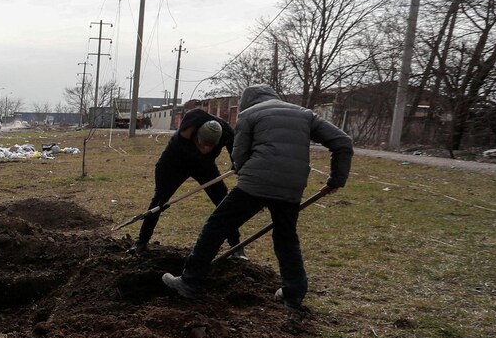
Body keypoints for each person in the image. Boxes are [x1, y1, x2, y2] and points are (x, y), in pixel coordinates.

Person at [162, 85, 353, 313]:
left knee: (216, 226)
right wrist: (336, 180)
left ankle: (189, 282)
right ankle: (293, 294)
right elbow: (343, 142)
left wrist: (253, 189)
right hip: (292, 185)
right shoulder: (305, 114)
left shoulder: (248, 115)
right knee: (286, 238)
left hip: (256, 182)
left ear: (246, 102)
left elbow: (239, 156)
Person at [130, 109, 244, 258]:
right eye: (202, 144)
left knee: (223, 202)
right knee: (159, 201)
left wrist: (236, 163)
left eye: (210, 146)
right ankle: (141, 242)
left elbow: (235, 148)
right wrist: (162, 189)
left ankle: (236, 246)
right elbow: (164, 166)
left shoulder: (226, 133)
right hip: (175, 164)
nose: (205, 148)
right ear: (195, 135)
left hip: (204, 167)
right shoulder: (186, 129)